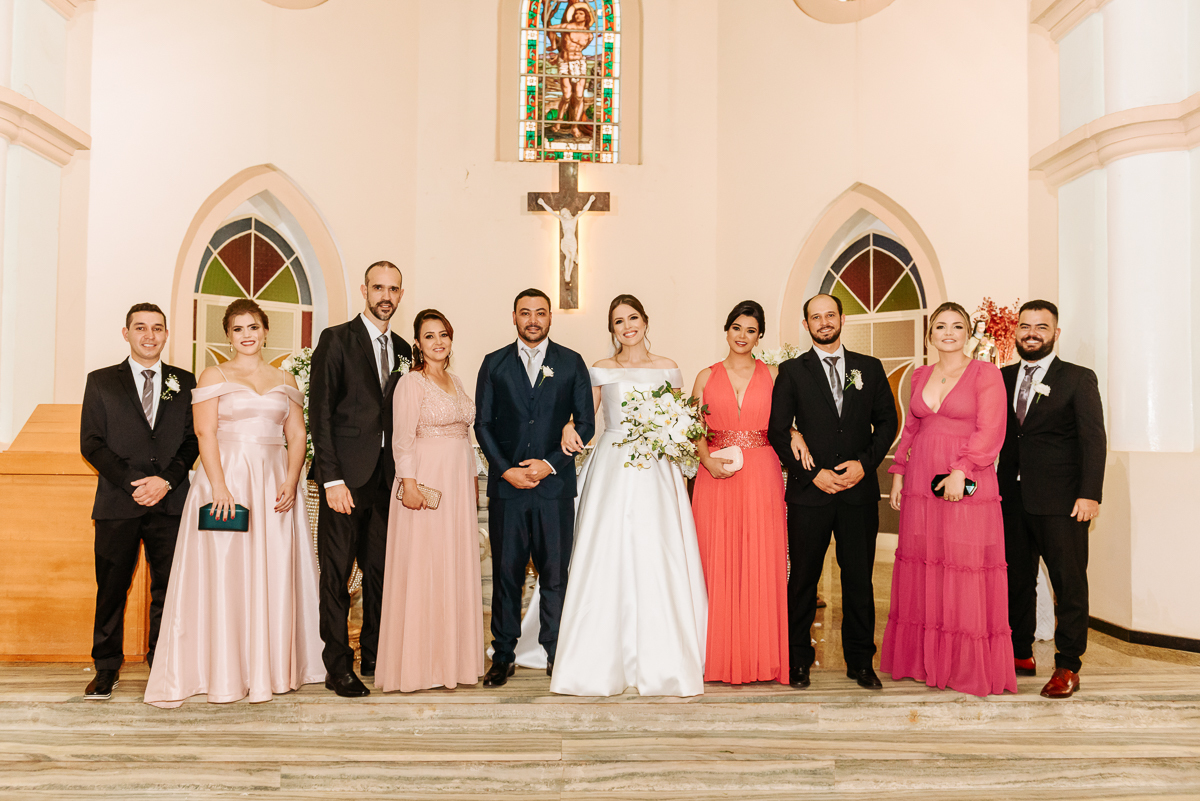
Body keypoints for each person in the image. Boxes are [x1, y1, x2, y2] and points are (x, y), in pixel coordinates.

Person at [144, 299, 323, 707]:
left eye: (253, 327)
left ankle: (274, 669)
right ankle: (224, 670)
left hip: (275, 484)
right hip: (227, 480)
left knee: (274, 569)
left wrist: (291, 479)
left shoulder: (286, 378)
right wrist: (219, 486)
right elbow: (204, 433)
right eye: (238, 329)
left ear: (265, 331)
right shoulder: (214, 375)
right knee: (227, 571)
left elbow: (297, 435)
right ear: (228, 335)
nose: (247, 335)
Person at [552, 294, 709, 697]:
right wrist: (569, 426)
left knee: (658, 551)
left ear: (645, 320)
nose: (627, 326)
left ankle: (665, 657)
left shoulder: (668, 367)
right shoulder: (602, 368)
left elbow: (681, 421)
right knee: (609, 550)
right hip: (614, 463)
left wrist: (674, 434)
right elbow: (585, 419)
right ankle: (597, 659)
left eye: (633, 317)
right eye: (619, 321)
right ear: (612, 329)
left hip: (658, 466)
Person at [881, 302, 1016, 697]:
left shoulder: (986, 373)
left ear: (968, 333)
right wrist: (899, 474)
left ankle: (964, 666)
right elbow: (910, 428)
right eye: (940, 326)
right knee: (927, 563)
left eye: (957, 326)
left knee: (962, 564)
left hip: (967, 478)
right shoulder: (920, 375)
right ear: (931, 335)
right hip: (921, 481)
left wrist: (962, 469)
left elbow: (992, 429)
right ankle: (924, 661)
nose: (948, 333)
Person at [768, 293, 898, 690]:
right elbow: (777, 430)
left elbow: (888, 423)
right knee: (803, 581)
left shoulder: (869, 368)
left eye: (830, 315)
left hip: (858, 494)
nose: (824, 322)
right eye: (815, 317)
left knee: (858, 580)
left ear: (842, 319)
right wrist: (812, 476)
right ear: (805, 324)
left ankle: (861, 662)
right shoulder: (792, 371)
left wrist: (864, 464)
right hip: (810, 496)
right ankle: (798, 661)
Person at [474, 288, 595, 687]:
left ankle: (556, 654)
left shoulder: (571, 362)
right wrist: (506, 470)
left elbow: (586, 423)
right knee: (506, 574)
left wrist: (549, 464)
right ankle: (502, 656)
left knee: (555, 576)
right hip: (508, 490)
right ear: (514, 317)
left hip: (553, 490)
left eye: (540, 313)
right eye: (525, 313)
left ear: (549, 318)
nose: (532, 320)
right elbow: (482, 424)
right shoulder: (493, 363)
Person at [79, 304, 199, 699]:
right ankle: (106, 667)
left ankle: (161, 664)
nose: (150, 335)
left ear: (166, 335)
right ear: (126, 333)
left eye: (158, 328)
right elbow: (91, 443)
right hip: (118, 503)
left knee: (168, 588)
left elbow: (193, 439)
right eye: (141, 328)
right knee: (112, 589)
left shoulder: (185, 380)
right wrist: (135, 484)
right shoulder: (101, 381)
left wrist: (166, 480)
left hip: (170, 502)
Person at [308, 261, 413, 698]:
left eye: (393, 289)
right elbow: (320, 413)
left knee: (380, 574)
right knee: (336, 577)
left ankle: (374, 654)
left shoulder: (405, 349)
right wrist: (331, 480)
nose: (386, 296)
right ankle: (338, 666)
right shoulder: (336, 339)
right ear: (364, 290)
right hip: (346, 482)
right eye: (378, 288)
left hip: (387, 481)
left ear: (400, 294)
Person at [691, 301, 808, 686]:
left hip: (762, 473)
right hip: (716, 473)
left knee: (760, 556)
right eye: (737, 328)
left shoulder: (774, 375)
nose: (742, 336)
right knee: (716, 556)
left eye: (751, 330)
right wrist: (706, 460)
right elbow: (693, 428)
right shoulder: (705, 376)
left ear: (760, 337)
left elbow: (787, 421)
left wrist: (795, 434)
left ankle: (761, 657)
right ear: (727, 330)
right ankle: (717, 655)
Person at [999, 300, 1106, 699]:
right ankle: (1020, 653)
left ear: (1055, 334)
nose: (1032, 333)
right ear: (1015, 332)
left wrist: (1089, 494)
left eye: (1041, 327)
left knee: (1069, 583)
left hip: (1063, 503)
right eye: (1025, 326)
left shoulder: (1077, 378)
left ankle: (1068, 665)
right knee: (1016, 580)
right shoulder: (1000, 378)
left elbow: (1094, 440)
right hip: (1011, 498)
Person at [376, 310, 483, 692]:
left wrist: (473, 480)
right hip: (424, 483)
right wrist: (410, 486)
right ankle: (419, 667)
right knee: (424, 565)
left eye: (444, 335)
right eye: (429, 336)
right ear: (418, 344)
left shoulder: (456, 380)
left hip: (458, 484)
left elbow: (466, 437)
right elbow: (401, 440)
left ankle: (452, 663)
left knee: (452, 565)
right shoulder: (411, 383)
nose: (438, 342)